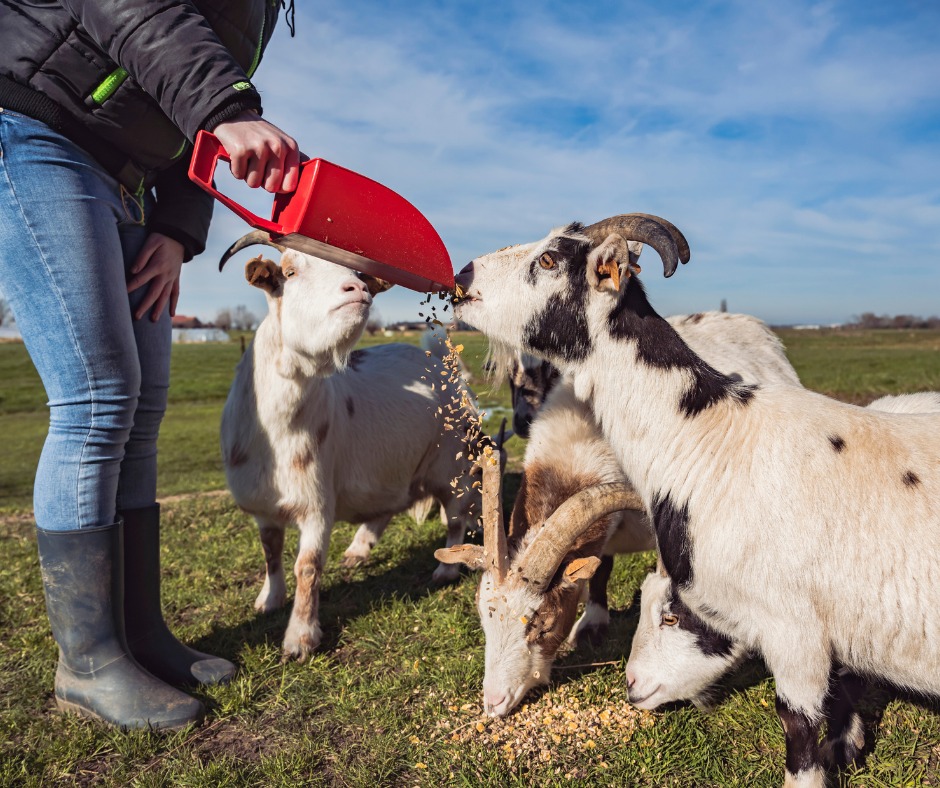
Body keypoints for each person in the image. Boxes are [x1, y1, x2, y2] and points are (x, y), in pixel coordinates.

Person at [0, 0, 299, 730]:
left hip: (133, 183)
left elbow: (185, 116)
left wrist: (174, 228)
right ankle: (89, 661)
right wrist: (227, 104)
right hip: (39, 134)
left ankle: (140, 635)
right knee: (98, 397)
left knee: (142, 407)